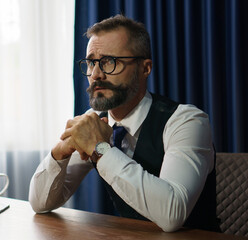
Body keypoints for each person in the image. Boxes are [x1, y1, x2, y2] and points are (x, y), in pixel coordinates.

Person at [28, 14, 220, 232]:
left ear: (145, 68)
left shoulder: (187, 121)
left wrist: (100, 149)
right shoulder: (94, 122)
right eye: (91, 63)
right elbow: (40, 204)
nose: (96, 74)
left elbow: (172, 214)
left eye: (110, 62)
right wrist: (59, 154)